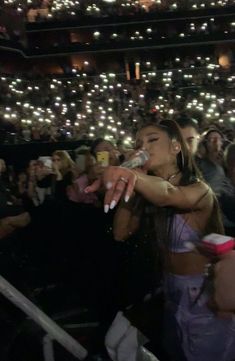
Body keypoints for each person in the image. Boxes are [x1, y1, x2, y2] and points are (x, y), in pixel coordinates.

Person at [86, 119, 235, 361]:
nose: (143, 147)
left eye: (152, 140)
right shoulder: (147, 191)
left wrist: (129, 174)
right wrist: (132, 182)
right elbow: (120, 232)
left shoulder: (199, 190)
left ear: (176, 147)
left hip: (204, 297)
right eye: (138, 143)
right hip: (170, 291)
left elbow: (168, 194)